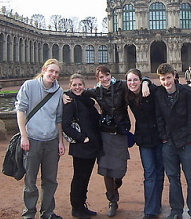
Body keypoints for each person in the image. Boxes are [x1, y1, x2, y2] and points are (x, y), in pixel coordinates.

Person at [81, 65, 148, 217]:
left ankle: (116, 184)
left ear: (110, 75)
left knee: (120, 169)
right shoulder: (96, 91)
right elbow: (78, 92)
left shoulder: (121, 86)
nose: (104, 79)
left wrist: (145, 83)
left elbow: (136, 82)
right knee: (105, 168)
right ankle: (112, 200)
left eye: (107, 75)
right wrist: (65, 95)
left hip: (120, 132)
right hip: (104, 132)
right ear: (97, 79)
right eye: (101, 77)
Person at [15, 59, 65, 219]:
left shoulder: (59, 91)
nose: (53, 75)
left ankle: (47, 212)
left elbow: (58, 118)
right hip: (32, 140)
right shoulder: (29, 86)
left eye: (56, 72)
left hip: (51, 141)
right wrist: (24, 136)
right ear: (44, 70)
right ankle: (29, 213)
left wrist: (60, 141)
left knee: (50, 180)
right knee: (30, 180)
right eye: (51, 71)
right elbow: (20, 111)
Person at [154, 63, 191, 219]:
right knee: (173, 178)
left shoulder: (187, 92)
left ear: (174, 75)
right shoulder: (159, 94)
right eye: (162, 79)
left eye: (168, 78)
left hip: (186, 142)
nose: (166, 82)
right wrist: (165, 138)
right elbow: (159, 118)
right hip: (169, 142)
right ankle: (176, 210)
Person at [125, 68, 164, 219]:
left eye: (136, 80)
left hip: (160, 137)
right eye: (129, 80)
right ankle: (150, 210)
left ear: (140, 81)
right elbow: (109, 86)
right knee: (149, 173)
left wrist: (147, 82)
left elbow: (155, 85)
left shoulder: (151, 90)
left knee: (159, 172)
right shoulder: (127, 94)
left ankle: (156, 204)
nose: (132, 83)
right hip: (144, 139)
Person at [62, 74, 102, 219]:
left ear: (84, 86)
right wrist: (81, 138)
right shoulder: (69, 102)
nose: (77, 87)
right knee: (79, 178)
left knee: (85, 178)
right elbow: (66, 125)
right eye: (74, 85)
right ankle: (76, 208)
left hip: (91, 146)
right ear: (70, 87)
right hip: (81, 147)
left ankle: (82, 205)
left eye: (80, 85)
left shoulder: (87, 100)